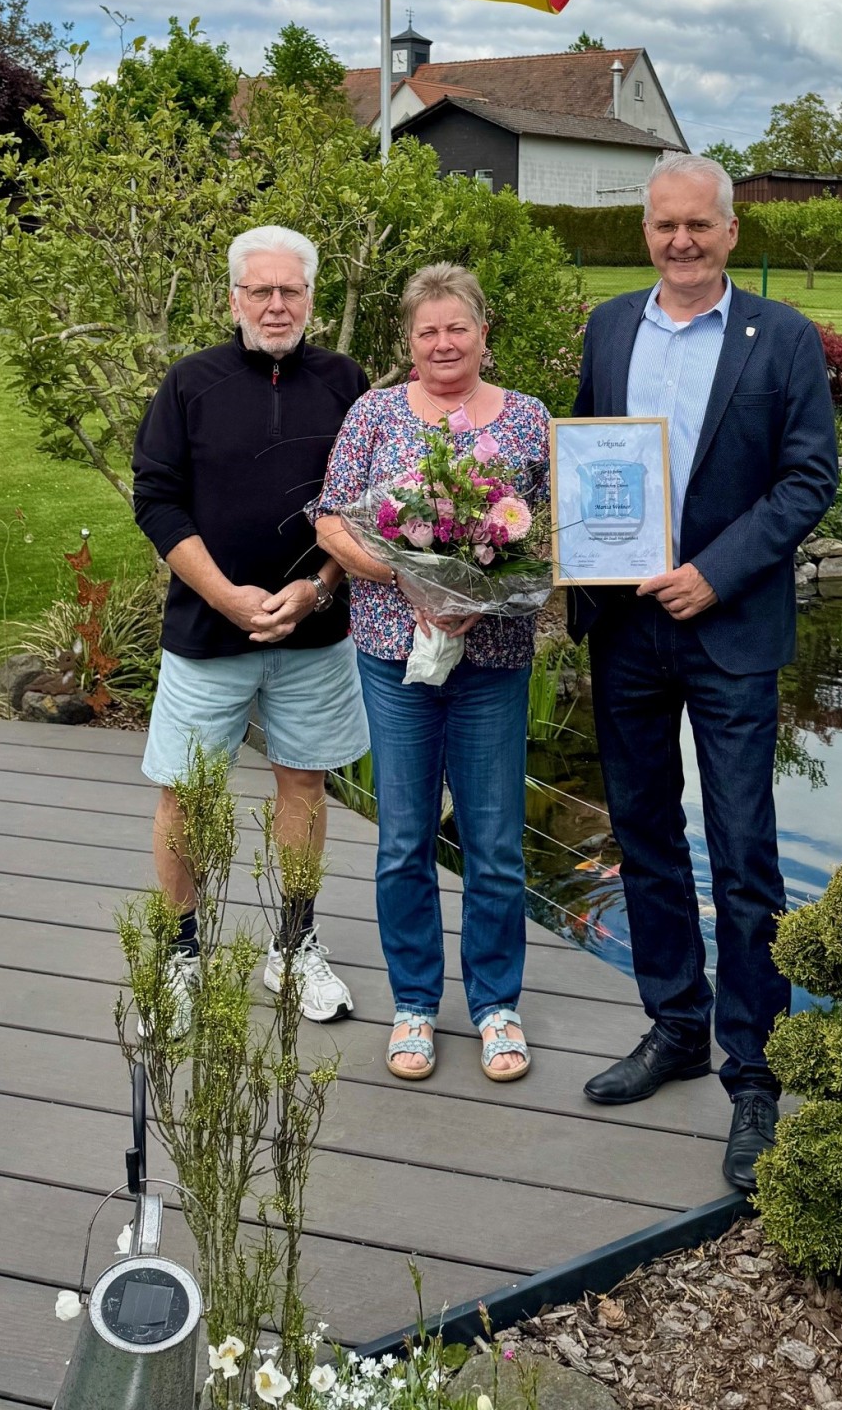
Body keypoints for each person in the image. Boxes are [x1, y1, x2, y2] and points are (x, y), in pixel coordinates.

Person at [571, 152, 838, 1191]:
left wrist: (713, 574)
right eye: (663, 225)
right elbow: (591, 458)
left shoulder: (783, 338)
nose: (679, 241)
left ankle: (754, 1072)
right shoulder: (608, 327)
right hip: (625, 627)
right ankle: (676, 1025)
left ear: (731, 231)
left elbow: (808, 478)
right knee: (643, 834)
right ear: (645, 231)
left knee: (742, 852)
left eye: (698, 225)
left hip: (727, 627)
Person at [314, 264, 549, 1086]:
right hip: (393, 654)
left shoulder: (528, 418)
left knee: (494, 843)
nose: (443, 343)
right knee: (404, 840)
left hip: (494, 658)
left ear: (483, 331)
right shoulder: (374, 413)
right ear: (407, 342)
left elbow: (553, 530)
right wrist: (406, 578)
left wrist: (484, 592)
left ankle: (495, 1006)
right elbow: (331, 519)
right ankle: (414, 1003)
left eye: (457, 327)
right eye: (427, 331)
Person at [131, 224, 371, 1028]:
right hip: (207, 633)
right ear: (233, 298)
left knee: (304, 786)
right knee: (186, 794)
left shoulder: (345, 383)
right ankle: (180, 957)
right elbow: (155, 499)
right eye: (260, 290)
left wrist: (317, 588)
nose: (275, 305)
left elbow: (367, 507)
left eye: (289, 290)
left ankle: (293, 947)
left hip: (314, 635)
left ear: (311, 297)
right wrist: (225, 596)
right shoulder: (189, 383)